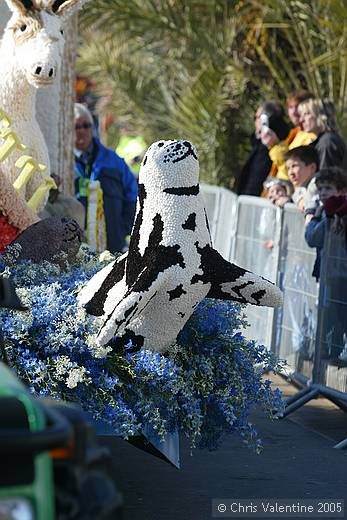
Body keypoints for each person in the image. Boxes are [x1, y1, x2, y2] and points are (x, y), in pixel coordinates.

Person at [74, 103, 138, 253]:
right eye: (76, 126)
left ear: (92, 127)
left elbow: (132, 194)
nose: (82, 131)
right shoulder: (63, 163)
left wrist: (123, 229)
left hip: (112, 246)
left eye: (86, 125)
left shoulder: (113, 160)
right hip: (76, 248)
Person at [260, 91, 315, 182]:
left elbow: (292, 168)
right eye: (290, 107)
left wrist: (275, 144)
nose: (293, 112)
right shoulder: (295, 133)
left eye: (297, 107)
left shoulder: (310, 136)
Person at [304, 167, 347, 280]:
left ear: (341, 191)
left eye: (328, 188)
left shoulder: (330, 214)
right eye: (320, 189)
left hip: (338, 275)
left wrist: (315, 218)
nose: (322, 193)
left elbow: (312, 238)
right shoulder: (324, 210)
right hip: (327, 272)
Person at [298, 98, 347, 170]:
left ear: (321, 115)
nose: (301, 120)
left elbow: (326, 178)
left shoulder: (327, 143)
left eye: (306, 114)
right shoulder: (326, 140)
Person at [236, 106, 273, 196]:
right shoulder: (257, 144)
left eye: (258, 117)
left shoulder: (268, 148)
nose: (256, 121)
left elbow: (256, 178)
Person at [281, 146, 319, 211]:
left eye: (294, 166)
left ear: (312, 168)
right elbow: (296, 193)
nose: (290, 173)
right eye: (288, 168)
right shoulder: (302, 186)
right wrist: (299, 199)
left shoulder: (318, 184)